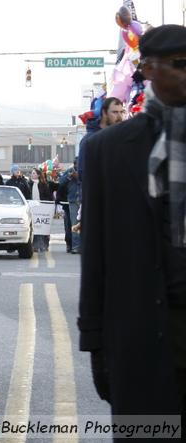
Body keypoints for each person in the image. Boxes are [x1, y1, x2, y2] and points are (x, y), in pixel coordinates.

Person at [79, 24, 186, 428]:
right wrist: (96, 346)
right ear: (150, 70)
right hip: (141, 339)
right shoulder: (109, 150)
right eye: (178, 64)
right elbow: (97, 256)